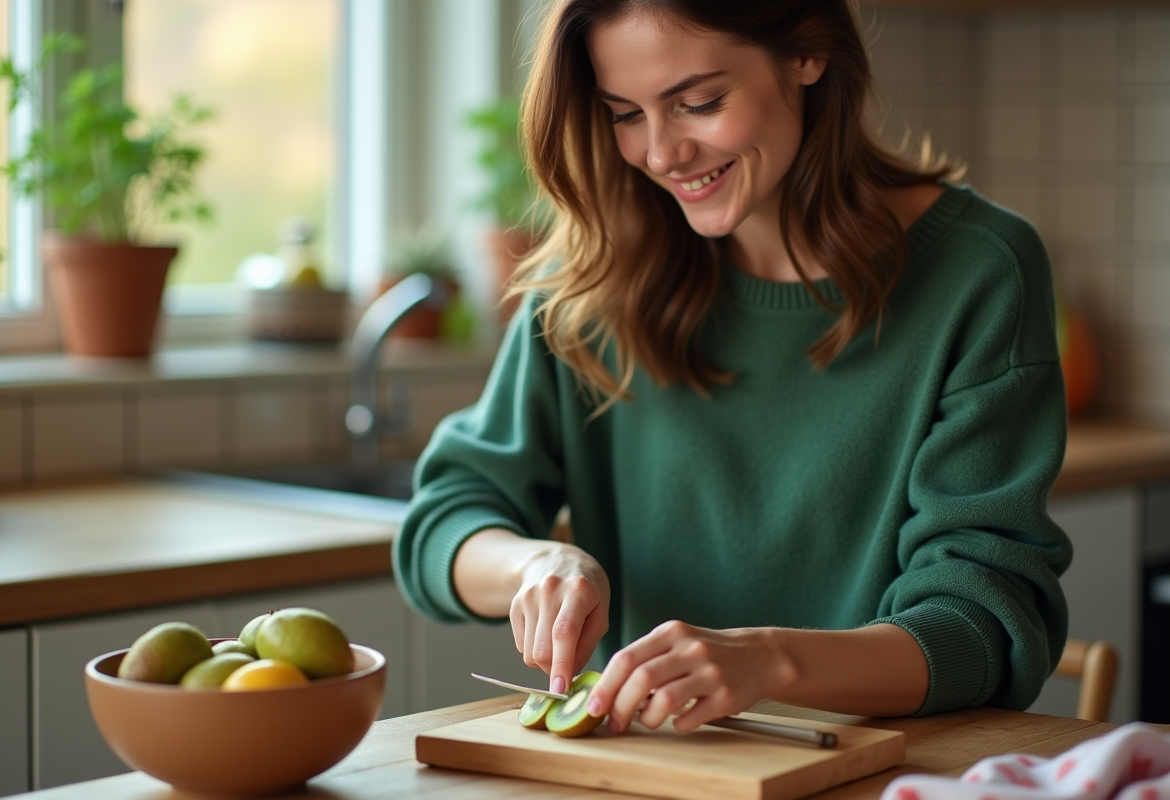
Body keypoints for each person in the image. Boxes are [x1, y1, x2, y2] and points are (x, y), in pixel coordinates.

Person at [393, 0, 1072, 734]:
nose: (661, 153)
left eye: (699, 103)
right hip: (648, 775)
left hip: (877, 772)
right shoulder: (591, 280)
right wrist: (534, 567)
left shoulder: (979, 269)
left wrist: (769, 663)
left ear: (807, 54)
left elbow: (984, 624)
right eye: (624, 113)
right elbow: (443, 523)